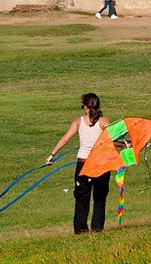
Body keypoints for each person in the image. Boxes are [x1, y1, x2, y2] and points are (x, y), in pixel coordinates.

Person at [46, 93, 124, 234]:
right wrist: (125, 144)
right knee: (100, 198)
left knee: (82, 198)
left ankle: (81, 230)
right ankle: (97, 228)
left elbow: (65, 139)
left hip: (84, 164)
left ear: (86, 107)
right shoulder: (104, 121)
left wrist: (52, 154)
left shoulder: (78, 121)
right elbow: (111, 140)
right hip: (101, 164)